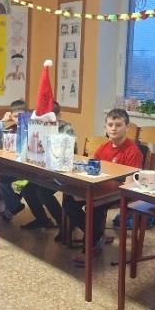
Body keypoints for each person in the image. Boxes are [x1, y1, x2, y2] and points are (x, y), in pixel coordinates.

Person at [62, 108, 143, 265]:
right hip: (101, 188)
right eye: (110, 125)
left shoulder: (133, 151)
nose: (114, 128)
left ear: (127, 127)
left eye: (118, 125)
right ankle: (97, 235)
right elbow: (94, 169)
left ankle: (90, 248)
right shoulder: (103, 148)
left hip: (120, 193)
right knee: (69, 202)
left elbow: (132, 180)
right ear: (105, 127)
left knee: (95, 207)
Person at [21, 103, 75, 229]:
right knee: (27, 190)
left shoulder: (65, 128)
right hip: (44, 171)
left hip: (61, 172)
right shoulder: (39, 127)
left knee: (43, 192)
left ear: (58, 116)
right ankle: (42, 220)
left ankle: (64, 224)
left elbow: (69, 151)